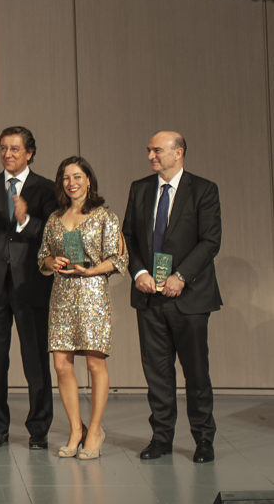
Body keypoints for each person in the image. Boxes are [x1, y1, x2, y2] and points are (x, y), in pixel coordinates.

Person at [122, 131, 221, 464]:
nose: (151, 155)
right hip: (150, 297)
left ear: (178, 153)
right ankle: (161, 437)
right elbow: (129, 238)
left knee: (196, 373)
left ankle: (203, 439)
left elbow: (209, 241)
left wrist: (181, 277)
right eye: (149, 150)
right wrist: (139, 274)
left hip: (189, 298)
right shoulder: (139, 189)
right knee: (157, 373)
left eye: (158, 150)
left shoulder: (203, 190)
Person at [0, 126, 56, 449]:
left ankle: (39, 430)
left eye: (15, 149)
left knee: (35, 362)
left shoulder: (46, 188)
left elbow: (52, 233)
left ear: (29, 153)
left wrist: (23, 220)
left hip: (30, 284)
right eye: (3, 148)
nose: (8, 154)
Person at [37, 157, 127, 460]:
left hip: (92, 294)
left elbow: (119, 259)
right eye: (65, 177)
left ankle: (96, 429)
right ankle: (76, 428)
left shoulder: (105, 216)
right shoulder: (54, 218)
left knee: (93, 365)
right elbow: (43, 258)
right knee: (61, 364)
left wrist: (91, 271)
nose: (71, 182)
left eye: (77, 176)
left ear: (89, 180)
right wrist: (54, 262)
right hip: (62, 294)